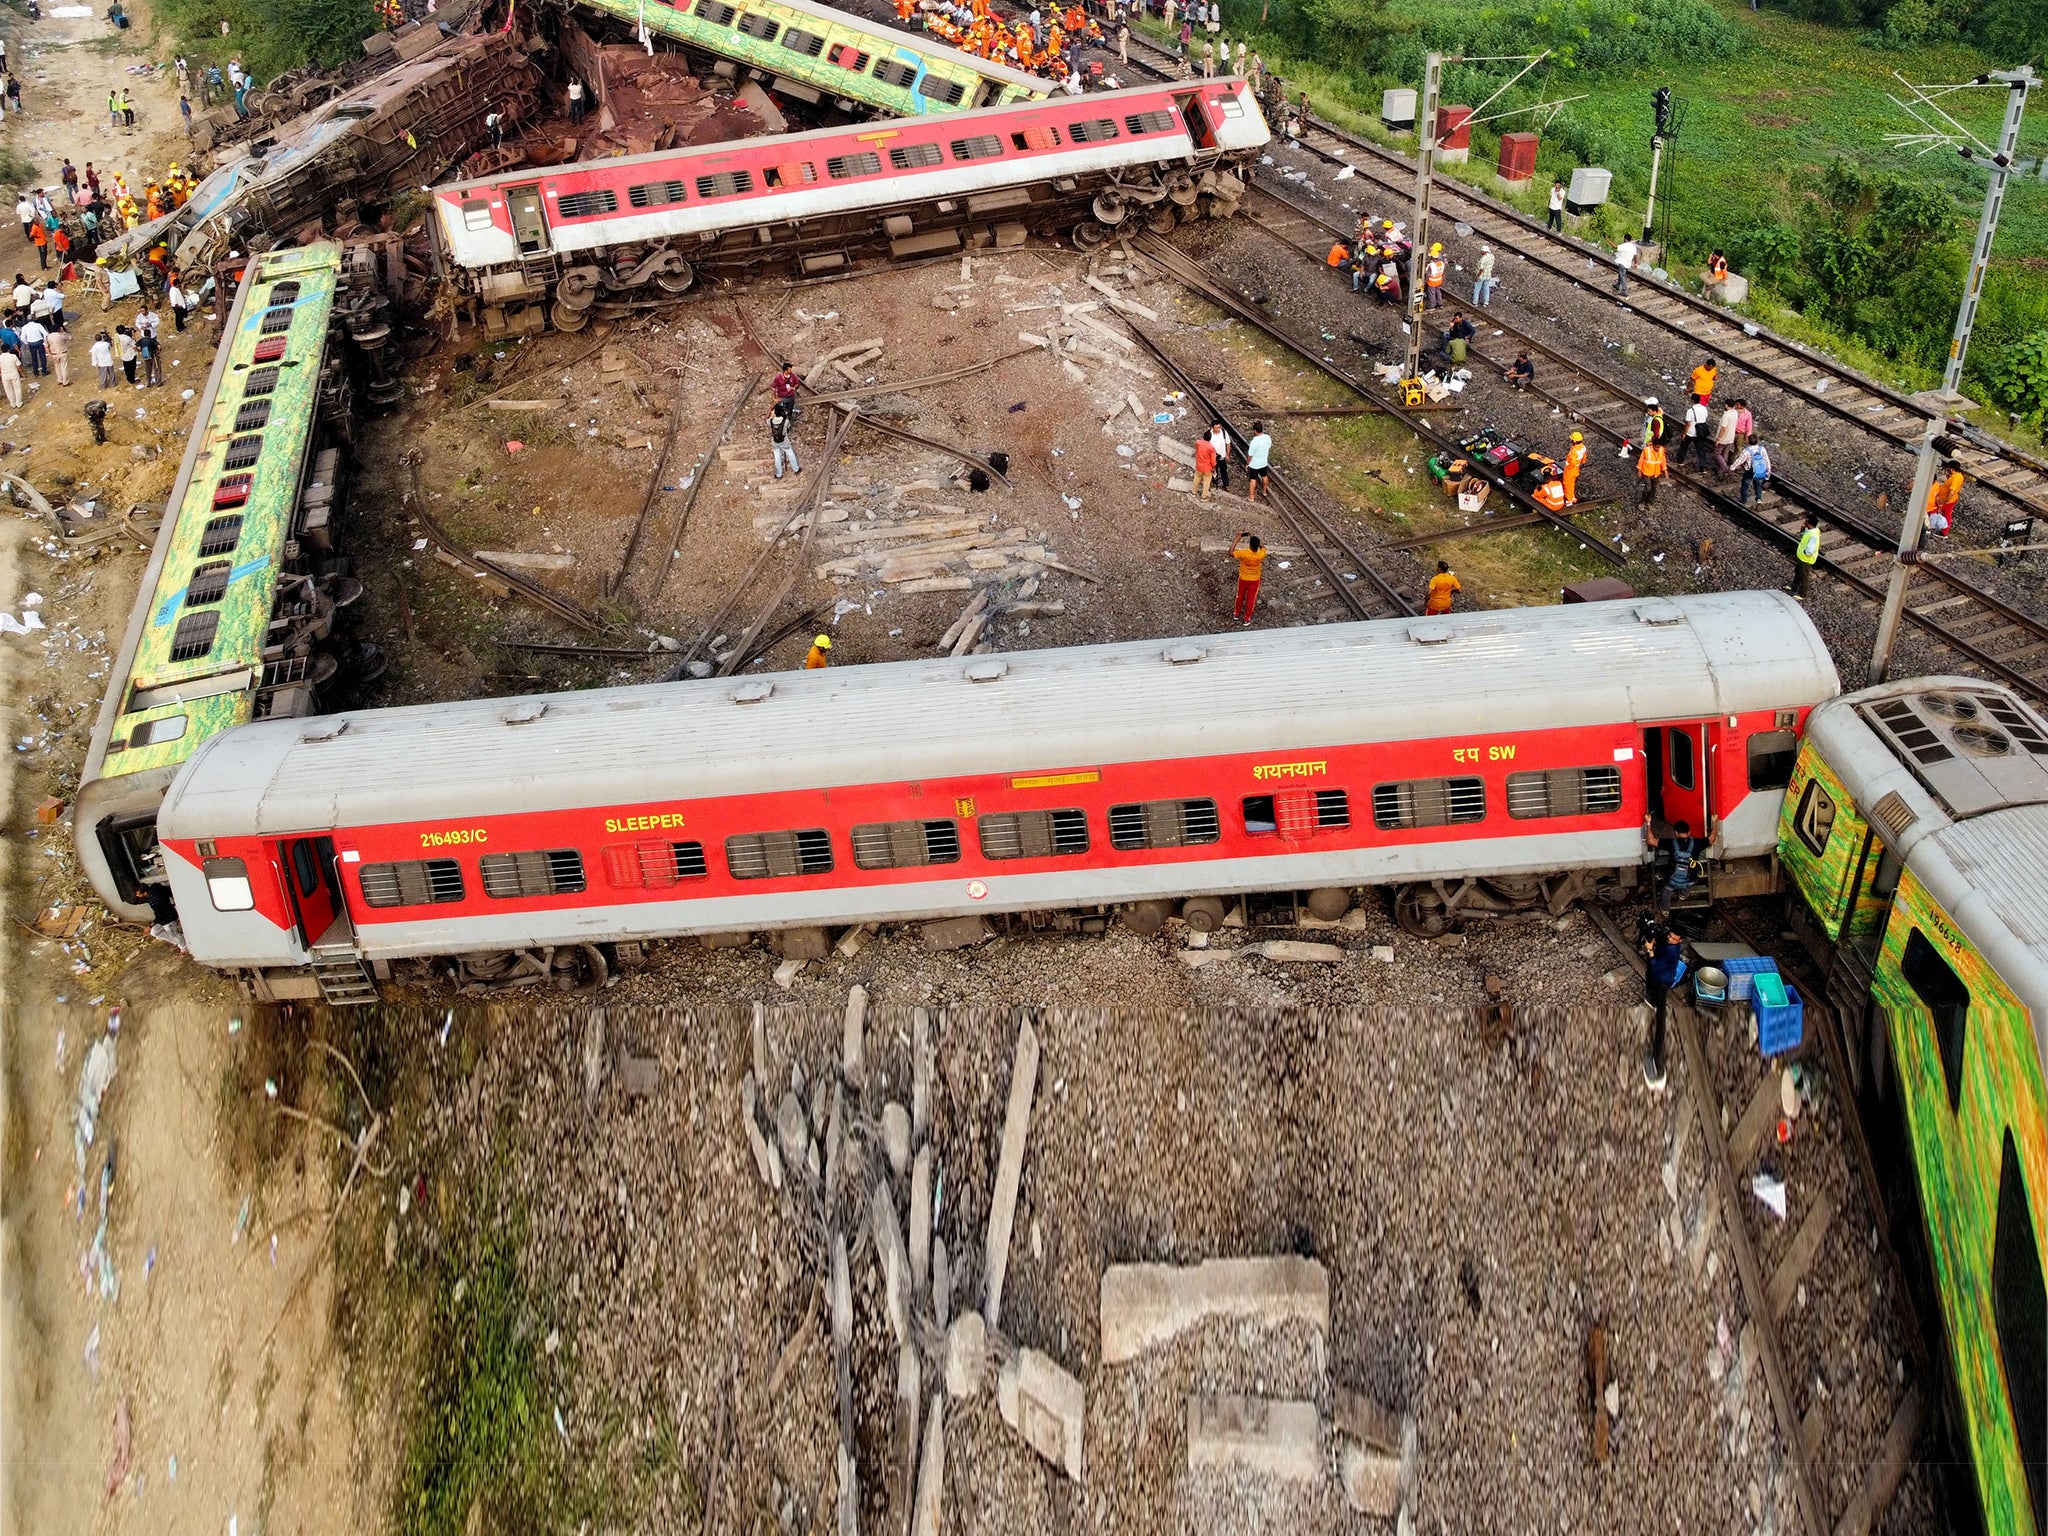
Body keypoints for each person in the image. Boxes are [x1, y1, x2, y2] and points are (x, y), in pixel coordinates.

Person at [1640, 914, 1686, 1091]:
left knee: (1660, 1018)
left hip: (1662, 979)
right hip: (1657, 978)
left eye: (1674, 939)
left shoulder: (1672, 953)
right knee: (1651, 984)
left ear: (1680, 940)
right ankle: (1654, 1003)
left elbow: (1656, 967)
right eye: (1670, 936)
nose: (1671, 939)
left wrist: (1650, 950)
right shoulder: (1667, 939)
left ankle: (1658, 1064)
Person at [1230, 531, 1265, 621]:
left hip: (1243, 578)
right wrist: (1253, 537)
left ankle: (1236, 614)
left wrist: (1237, 539)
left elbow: (1231, 552)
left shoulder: (1244, 553)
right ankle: (1247, 618)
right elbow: (1263, 546)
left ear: (1249, 545)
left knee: (1240, 596)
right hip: (1255, 580)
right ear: (1257, 546)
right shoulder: (1261, 554)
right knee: (1251, 599)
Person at [1925, 459, 1963, 537]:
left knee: (1932, 511)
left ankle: (1927, 528)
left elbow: (1952, 491)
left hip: (1946, 500)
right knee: (1947, 514)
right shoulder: (1959, 476)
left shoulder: (1955, 478)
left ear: (1952, 469)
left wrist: (1945, 501)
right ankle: (1944, 532)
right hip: (1952, 500)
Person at [1673, 396, 1710, 468]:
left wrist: (1684, 433)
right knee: (1701, 450)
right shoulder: (1704, 408)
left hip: (1690, 432)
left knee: (1684, 447)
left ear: (1692, 400)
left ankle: (1680, 461)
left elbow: (1688, 424)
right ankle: (1703, 467)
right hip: (1700, 433)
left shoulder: (1690, 411)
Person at [1792, 513, 1819, 600]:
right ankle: (1794, 587)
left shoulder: (1813, 536)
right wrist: (1803, 531)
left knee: (1804, 576)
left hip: (1806, 559)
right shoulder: (1811, 530)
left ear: (1810, 523)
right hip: (1802, 557)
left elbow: (1810, 550)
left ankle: (1802, 594)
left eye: (1806, 520)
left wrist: (1805, 552)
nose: (1804, 521)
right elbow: (1804, 537)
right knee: (1798, 572)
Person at [769, 402, 800, 479]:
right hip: (784, 442)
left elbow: (767, 419)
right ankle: (796, 469)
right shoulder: (785, 421)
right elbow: (788, 428)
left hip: (775, 442)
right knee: (790, 454)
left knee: (777, 457)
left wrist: (771, 412)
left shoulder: (771, 421)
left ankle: (779, 474)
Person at [1739, 437, 1770, 507]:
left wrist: (1732, 467)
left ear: (1748, 442)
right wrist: (1768, 471)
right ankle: (1758, 499)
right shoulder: (1762, 449)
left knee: (1745, 485)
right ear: (1757, 441)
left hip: (1749, 471)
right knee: (1758, 484)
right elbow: (1767, 460)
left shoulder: (1746, 451)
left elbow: (1740, 461)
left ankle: (1743, 500)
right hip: (1759, 470)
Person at [1244, 421, 1271, 501]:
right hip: (1264, 462)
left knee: (1253, 479)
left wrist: (1247, 463)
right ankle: (1264, 491)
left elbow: (1250, 455)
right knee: (1264, 476)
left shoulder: (1254, 442)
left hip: (1254, 464)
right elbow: (1269, 446)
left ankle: (1251, 497)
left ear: (1255, 431)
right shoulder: (1267, 437)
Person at [1636, 434, 1666, 506]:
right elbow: (1641, 460)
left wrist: (1664, 469)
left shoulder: (1661, 449)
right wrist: (1639, 470)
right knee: (1648, 488)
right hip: (1647, 472)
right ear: (1652, 445)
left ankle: (1649, 502)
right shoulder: (1646, 450)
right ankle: (1642, 502)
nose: (1657, 448)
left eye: (1659, 447)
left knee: (1654, 488)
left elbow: (1663, 460)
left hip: (1656, 473)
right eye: (1656, 447)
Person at [1713, 399, 1740, 475]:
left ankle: (1725, 469)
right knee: (1725, 453)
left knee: (1717, 453)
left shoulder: (1726, 415)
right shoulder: (1735, 412)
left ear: (1726, 405)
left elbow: (1723, 428)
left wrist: (1718, 439)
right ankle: (1722, 467)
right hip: (1731, 437)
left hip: (1723, 438)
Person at [1562, 431, 1588, 506]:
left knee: (1567, 484)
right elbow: (1584, 457)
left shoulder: (1574, 451)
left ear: (1574, 441)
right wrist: (1581, 463)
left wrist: (1567, 468)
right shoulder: (1583, 447)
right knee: (1572, 483)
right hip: (1576, 468)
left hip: (1570, 470)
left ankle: (1569, 501)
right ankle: (1572, 497)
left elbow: (1572, 462)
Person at [1207, 420, 1230, 492]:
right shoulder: (1208, 434)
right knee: (1214, 470)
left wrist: (1227, 454)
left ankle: (1226, 485)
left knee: (1224, 471)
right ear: (1212, 427)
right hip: (1213, 457)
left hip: (1222, 456)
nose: (1218, 429)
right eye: (1216, 428)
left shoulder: (1223, 432)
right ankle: (1214, 482)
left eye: (1219, 427)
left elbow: (1228, 443)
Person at [1193, 430, 1216, 499]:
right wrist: (1214, 468)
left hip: (1199, 465)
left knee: (1196, 478)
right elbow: (1213, 460)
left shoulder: (1198, 443)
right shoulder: (1211, 448)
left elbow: (1196, 449)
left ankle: (1193, 492)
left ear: (1203, 437)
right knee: (1206, 481)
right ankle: (1204, 496)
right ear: (1210, 438)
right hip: (1207, 468)